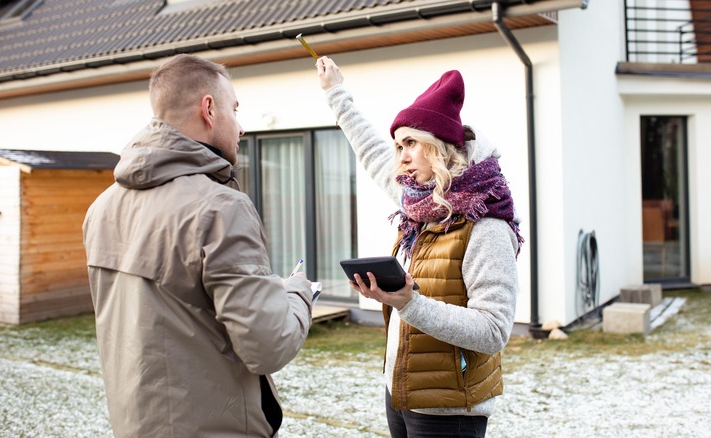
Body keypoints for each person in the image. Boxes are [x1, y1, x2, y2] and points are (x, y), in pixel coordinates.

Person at [83, 54, 314, 437]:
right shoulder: (221, 208)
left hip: (136, 424)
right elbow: (267, 346)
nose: (240, 128)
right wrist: (297, 292)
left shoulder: (102, 206)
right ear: (209, 109)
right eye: (234, 110)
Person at [316, 56, 522, 437]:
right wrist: (336, 92)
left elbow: (494, 330)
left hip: (450, 409)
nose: (401, 157)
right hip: (401, 391)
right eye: (399, 145)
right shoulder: (420, 204)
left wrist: (410, 303)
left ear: (440, 146)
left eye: (411, 142)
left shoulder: (486, 221)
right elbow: (371, 152)